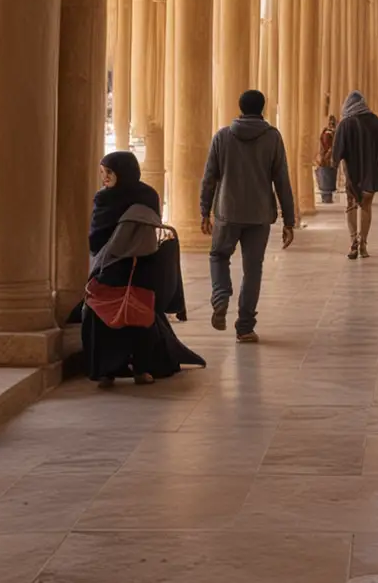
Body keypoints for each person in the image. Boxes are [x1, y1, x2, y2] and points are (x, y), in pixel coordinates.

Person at [82, 150, 204, 387]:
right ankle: (134, 369)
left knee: (119, 315)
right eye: (103, 173)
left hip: (130, 266)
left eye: (109, 173)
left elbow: (96, 241)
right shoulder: (142, 196)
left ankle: (121, 369)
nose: (105, 178)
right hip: (137, 264)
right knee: (135, 316)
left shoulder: (110, 199)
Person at [200, 89, 295, 341]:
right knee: (253, 269)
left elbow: (209, 178)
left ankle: (221, 294)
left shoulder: (222, 137)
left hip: (227, 213)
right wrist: (289, 220)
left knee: (219, 256)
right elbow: (282, 180)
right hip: (260, 214)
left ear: (240, 108)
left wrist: (204, 211)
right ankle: (244, 326)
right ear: (262, 109)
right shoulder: (273, 138)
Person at [332, 89, 378, 259]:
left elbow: (337, 152)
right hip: (370, 172)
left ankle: (353, 242)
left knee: (351, 206)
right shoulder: (373, 121)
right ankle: (363, 244)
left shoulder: (345, 123)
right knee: (366, 206)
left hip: (351, 174)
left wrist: (334, 166)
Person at [316, 113, 338, 203]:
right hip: (327, 157)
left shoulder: (328, 132)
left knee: (326, 177)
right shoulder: (329, 133)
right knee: (326, 176)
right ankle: (326, 197)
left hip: (326, 157)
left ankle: (326, 197)